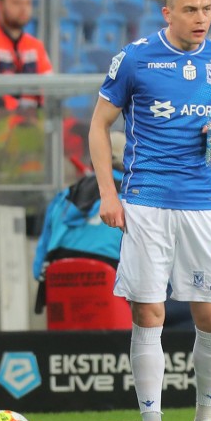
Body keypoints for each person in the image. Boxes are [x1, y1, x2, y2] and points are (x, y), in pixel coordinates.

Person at [88, 0, 211, 421]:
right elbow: (98, 125)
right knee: (148, 312)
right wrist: (108, 195)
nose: (201, 18)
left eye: (207, 8)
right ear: (168, 12)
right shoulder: (134, 58)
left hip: (201, 202)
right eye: (191, 9)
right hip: (146, 200)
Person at [33, 130, 127, 313]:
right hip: (113, 302)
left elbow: (38, 268)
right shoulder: (134, 198)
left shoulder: (64, 197)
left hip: (61, 294)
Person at [0, 0, 52, 111]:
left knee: (78, 127)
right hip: (2, 121)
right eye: (16, 3)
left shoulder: (36, 45)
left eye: (28, 3)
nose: (24, 9)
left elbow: (50, 89)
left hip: (35, 121)